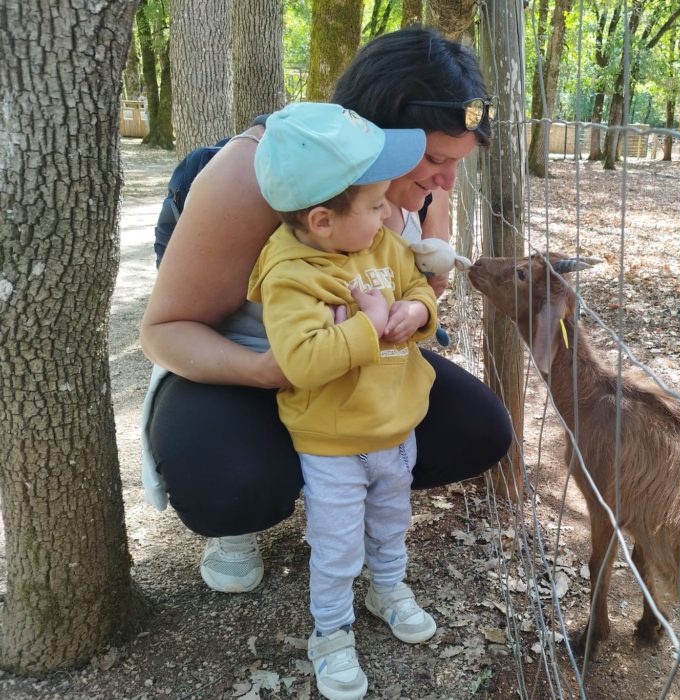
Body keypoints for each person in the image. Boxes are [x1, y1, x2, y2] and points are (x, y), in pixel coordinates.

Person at [139, 27, 513, 597]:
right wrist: (268, 370)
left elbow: (422, 283)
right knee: (233, 486)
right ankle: (251, 502)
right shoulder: (255, 175)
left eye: (457, 163)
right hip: (252, 362)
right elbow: (164, 331)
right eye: (435, 160)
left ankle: (344, 482)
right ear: (372, 132)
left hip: (353, 364)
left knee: (481, 431)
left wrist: (420, 298)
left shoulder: (417, 180)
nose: (446, 181)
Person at [249, 101, 437, 700]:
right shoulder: (289, 273)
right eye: (377, 205)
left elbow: (412, 283)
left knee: (391, 525)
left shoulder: (381, 244)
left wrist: (416, 309)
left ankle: (388, 588)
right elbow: (300, 360)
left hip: (394, 430)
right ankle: (330, 633)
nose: (389, 217)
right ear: (323, 220)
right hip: (332, 445)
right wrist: (369, 326)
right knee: (336, 548)